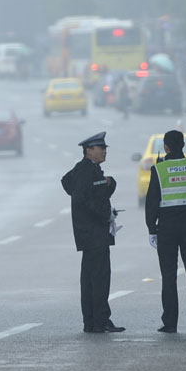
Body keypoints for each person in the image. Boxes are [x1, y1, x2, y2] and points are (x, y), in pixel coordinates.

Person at [61, 131, 125, 334]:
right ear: (89, 151)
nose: (104, 151)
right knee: (99, 278)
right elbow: (82, 197)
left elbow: (70, 184)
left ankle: (93, 321)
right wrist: (104, 214)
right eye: (101, 148)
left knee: (91, 278)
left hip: (90, 233)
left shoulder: (88, 170)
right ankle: (99, 321)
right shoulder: (85, 171)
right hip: (93, 233)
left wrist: (109, 183)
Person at [145, 129, 186, 333]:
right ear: (184, 145)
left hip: (167, 229)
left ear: (166, 147)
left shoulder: (159, 170)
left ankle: (170, 323)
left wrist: (152, 228)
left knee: (169, 276)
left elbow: (152, 202)